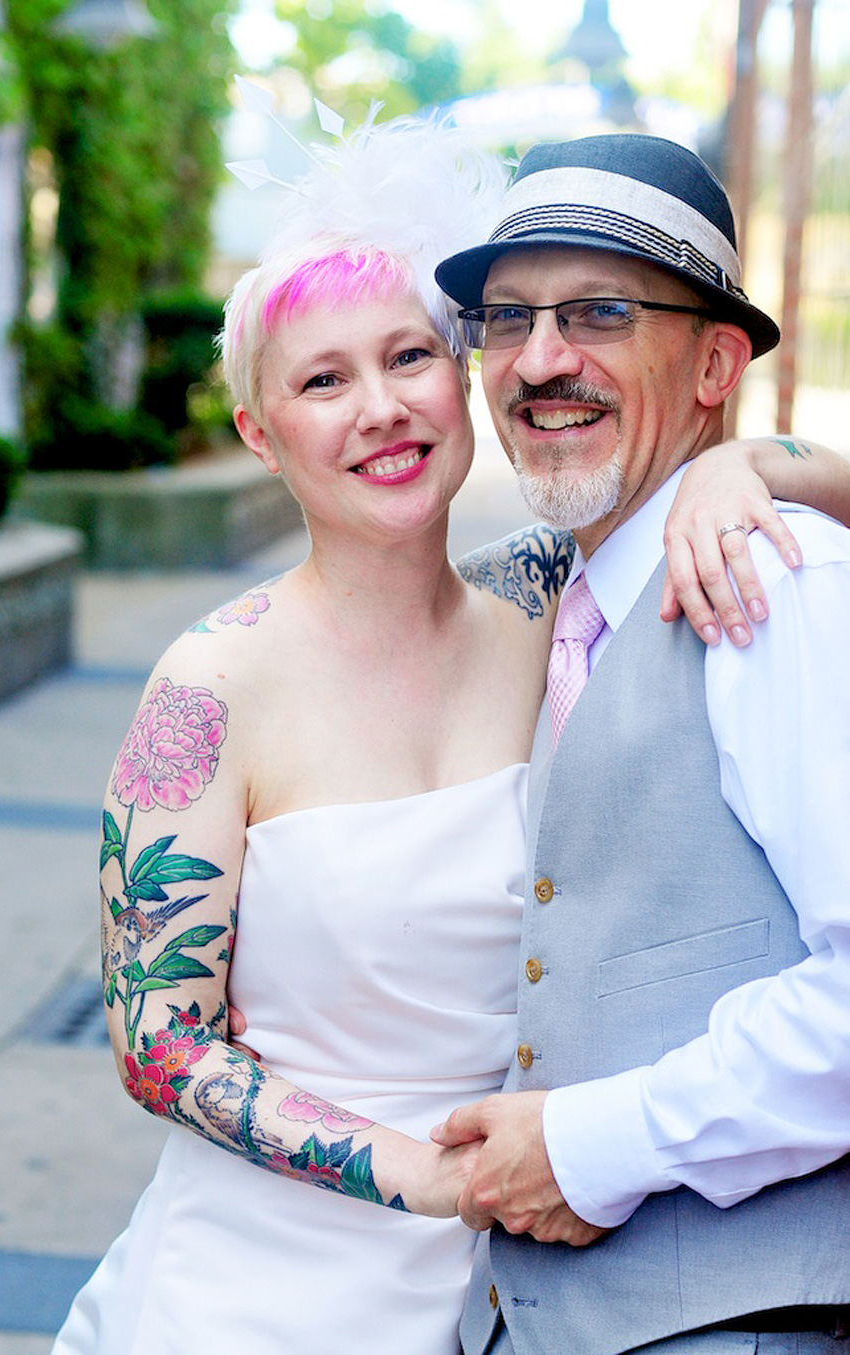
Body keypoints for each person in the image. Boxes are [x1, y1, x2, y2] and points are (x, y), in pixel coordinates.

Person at [52, 119, 850, 1355]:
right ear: (260, 432)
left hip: (500, 1292)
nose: (380, 409)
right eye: (323, 381)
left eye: (412, 356)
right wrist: (432, 1179)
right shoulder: (211, 685)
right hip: (273, 1278)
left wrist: (749, 463)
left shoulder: (548, 605)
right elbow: (157, 1041)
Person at [430, 134, 850, 1354]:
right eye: (506, 320)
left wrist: (586, 1144)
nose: (542, 360)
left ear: (717, 360)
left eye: (601, 311)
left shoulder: (779, 579)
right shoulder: (545, 601)